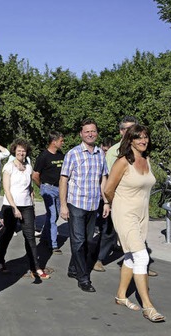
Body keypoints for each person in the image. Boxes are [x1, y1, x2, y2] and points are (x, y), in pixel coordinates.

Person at [104, 124, 164, 322]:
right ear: (130, 140)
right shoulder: (122, 162)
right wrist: (119, 206)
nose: (143, 141)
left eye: (145, 137)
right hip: (125, 214)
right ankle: (149, 307)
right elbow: (108, 189)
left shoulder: (146, 160)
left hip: (141, 215)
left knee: (130, 256)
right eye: (138, 137)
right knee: (142, 257)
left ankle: (121, 295)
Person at [59, 118, 109, 293]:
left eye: (93, 131)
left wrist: (106, 202)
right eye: (87, 131)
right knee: (78, 241)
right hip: (76, 203)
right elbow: (63, 179)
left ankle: (73, 268)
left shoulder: (100, 154)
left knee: (87, 241)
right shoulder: (72, 154)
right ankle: (83, 278)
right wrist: (63, 205)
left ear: (96, 133)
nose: (90, 134)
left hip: (93, 204)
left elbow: (103, 179)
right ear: (81, 134)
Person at [0, 139, 50, 280]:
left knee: (30, 236)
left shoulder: (29, 167)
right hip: (10, 206)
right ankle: (0, 261)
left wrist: (32, 203)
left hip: (26, 206)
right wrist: (14, 208)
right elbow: (6, 189)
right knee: (7, 234)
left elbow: (30, 187)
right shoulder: (8, 167)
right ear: (14, 151)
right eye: (19, 150)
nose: (21, 152)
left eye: (23, 150)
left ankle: (35, 267)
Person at [32, 131, 65, 254]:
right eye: (61, 141)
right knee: (51, 215)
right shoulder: (43, 156)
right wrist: (43, 186)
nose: (62, 143)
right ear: (54, 142)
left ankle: (45, 237)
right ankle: (53, 244)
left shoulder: (61, 154)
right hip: (48, 188)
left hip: (59, 189)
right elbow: (35, 175)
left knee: (55, 216)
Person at [93, 136, 117, 271]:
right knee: (106, 228)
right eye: (104, 150)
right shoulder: (98, 158)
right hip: (101, 198)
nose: (105, 153)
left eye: (108, 150)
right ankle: (98, 258)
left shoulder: (116, 159)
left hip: (115, 197)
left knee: (110, 229)